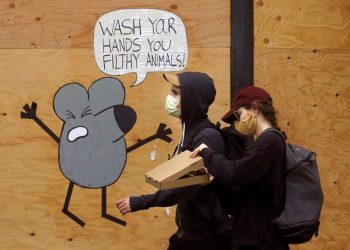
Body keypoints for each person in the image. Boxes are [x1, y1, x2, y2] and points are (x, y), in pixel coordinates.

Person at [117, 72, 232, 250]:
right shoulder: (190, 132)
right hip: (192, 233)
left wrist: (139, 202)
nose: (170, 97)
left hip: (209, 236)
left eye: (175, 93)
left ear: (192, 100)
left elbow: (182, 187)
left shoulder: (206, 137)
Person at [191, 86, 289, 250]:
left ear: (255, 109)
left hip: (261, 241)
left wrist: (206, 152)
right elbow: (239, 197)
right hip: (251, 239)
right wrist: (213, 182)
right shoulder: (264, 143)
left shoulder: (270, 141)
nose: (238, 122)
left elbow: (235, 172)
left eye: (239, 114)